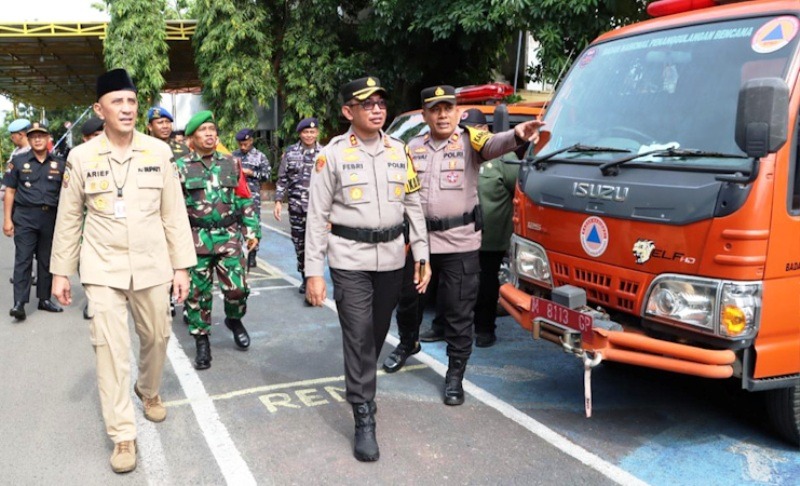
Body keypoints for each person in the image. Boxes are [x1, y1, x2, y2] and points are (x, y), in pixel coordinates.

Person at [50, 68, 196, 474]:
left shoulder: (158, 152)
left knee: (158, 336)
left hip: (152, 264)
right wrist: (61, 272)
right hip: (103, 267)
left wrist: (181, 265)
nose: (128, 108)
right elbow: (68, 218)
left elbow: (173, 213)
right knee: (111, 351)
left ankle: (148, 391)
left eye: (132, 101)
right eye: (118, 101)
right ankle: (123, 433)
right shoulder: (81, 158)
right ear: (100, 109)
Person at [382, 85, 542, 406]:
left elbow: (497, 143)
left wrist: (518, 135)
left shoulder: (472, 141)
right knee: (408, 300)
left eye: (448, 108)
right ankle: (408, 343)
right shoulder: (412, 147)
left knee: (458, 310)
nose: (442, 115)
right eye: (435, 109)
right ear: (425, 115)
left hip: (459, 242)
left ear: (456, 112)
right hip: (419, 241)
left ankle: (455, 373)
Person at [305, 76, 430, 462]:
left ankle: (358, 382)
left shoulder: (400, 150)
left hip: (392, 257)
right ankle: (364, 415)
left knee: (375, 333)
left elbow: (412, 203)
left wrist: (422, 253)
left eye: (381, 102)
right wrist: (313, 271)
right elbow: (316, 214)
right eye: (367, 103)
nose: (377, 109)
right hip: (349, 259)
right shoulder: (332, 154)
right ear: (348, 111)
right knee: (358, 334)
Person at [175, 110, 261, 370]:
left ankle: (234, 319)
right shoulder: (179, 167)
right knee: (198, 295)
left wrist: (252, 230)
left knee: (237, 289)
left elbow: (244, 197)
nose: (209, 134)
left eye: (212, 129)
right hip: (195, 241)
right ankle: (202, 341)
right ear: (191, 138)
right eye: (203, 130)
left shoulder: (230, 163)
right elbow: (172, 208)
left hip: (228, 238)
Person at [2, 122, 66, 320]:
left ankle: (44, 299)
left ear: (48, 139)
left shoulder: (59, 164)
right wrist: (7, 220)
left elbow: (67, 193)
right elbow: (10, 192)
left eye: (42, 135)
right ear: (29, 140)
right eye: (34, 136)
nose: (38, 139)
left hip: (50, 217)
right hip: (25, 217)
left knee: (46, 260)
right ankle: (19, 303)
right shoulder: (18, 162)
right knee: (23, 259)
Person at [273, 117, 322, 294]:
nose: (309, 135)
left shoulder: (325, 153)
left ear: (317, 133)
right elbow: (282, 179)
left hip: (318, 209)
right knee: (299, 244)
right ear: (300, 134)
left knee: (315, 243)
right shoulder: (290, 152)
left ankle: (313, 276)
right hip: (296, 207)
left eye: (312, 132)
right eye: (306, 132)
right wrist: (278, 201)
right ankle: (304, 275)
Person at [232, 128, 270, 268]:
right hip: (235, 196)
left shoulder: (260, 156)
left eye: (245, 144)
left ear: (251, 141)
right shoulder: (233, 156)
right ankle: (236, 254)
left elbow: (267, 175)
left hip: (252, 196)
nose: (242, 147)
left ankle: (252, 255)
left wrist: (252, 173)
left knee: (253, 225)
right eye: (240, 144)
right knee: (235, 225)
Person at [4, 118, 33, 284]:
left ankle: (27, 275)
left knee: (29, 246)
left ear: (21, 134)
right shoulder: (16, 153)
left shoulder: (30, 153)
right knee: (23, 246)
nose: (11, 138)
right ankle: (26, 274)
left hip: (27, 206)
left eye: (13, 135)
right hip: (17, 207)